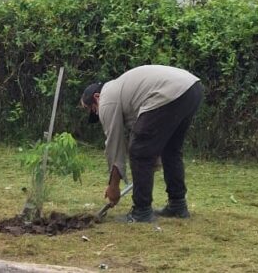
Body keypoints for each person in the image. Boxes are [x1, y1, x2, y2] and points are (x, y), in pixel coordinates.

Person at [81, 64, 203, 223]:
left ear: (96, 97)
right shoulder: (122, 90)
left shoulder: (106, 99)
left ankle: (141, 211)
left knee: (139, 150)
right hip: (192, 88)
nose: (97, 113)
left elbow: (114, 144)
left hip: (171, 91)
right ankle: (177, 205)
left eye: (92, 109)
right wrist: (151, 160)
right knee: (170, 149)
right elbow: (152, 136)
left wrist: (114, 186)